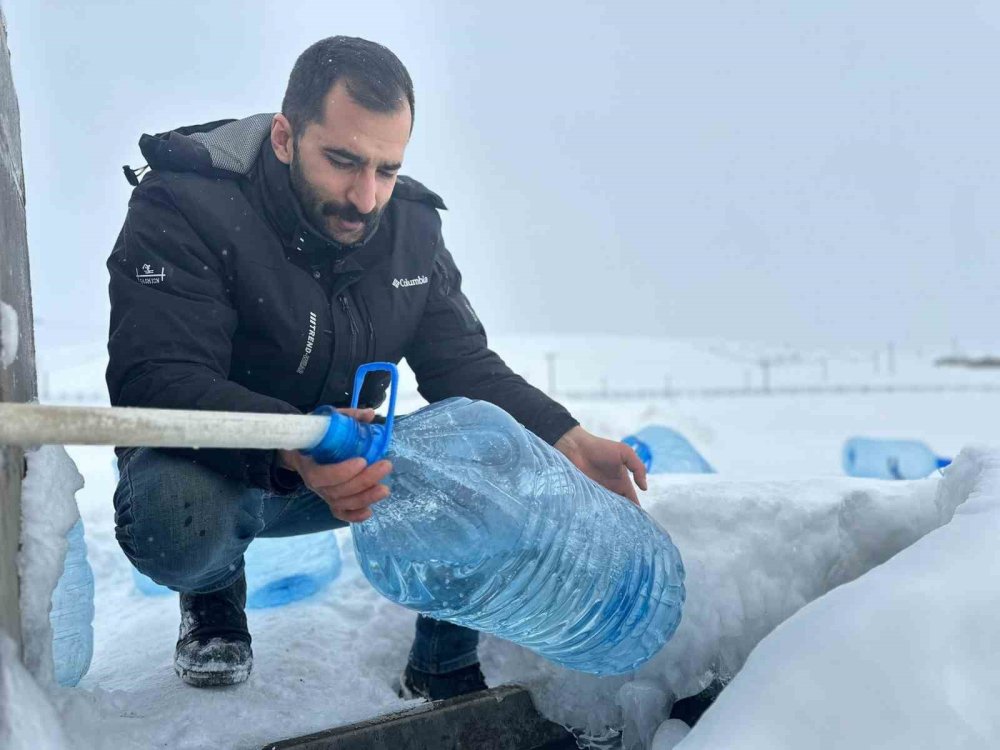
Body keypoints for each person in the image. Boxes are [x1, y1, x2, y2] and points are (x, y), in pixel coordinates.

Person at [106, 36, 647, 699]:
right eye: (342, 162)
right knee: (177, 517)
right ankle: (214, 593)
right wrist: (299, 444)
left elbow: (463, 366)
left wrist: (566, 438)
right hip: (230, 464)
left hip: (346, 455)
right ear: (283, 136)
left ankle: (443, 663)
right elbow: (158, 380)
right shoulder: (186, 202)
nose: (366, 197)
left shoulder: (409, 227)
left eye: (386, 169)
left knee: (494, 451)